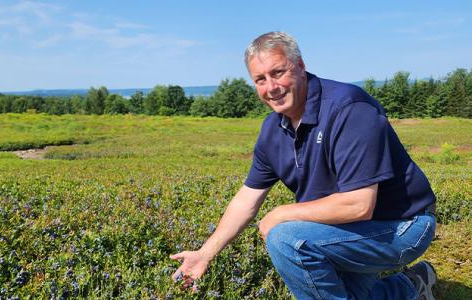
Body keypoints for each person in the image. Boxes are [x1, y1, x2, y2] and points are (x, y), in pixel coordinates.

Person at [170, 31, 437, 300]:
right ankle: (412, 285)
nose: (271, 87)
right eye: (260, 80)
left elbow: (359, 204)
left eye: (278, 72)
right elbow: (246, 201)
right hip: (347, 229)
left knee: (287, 239)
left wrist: (281, 213)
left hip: (402, 224)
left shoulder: (349, 108)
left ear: (300, 66)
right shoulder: (272, 129)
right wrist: (205, 253)